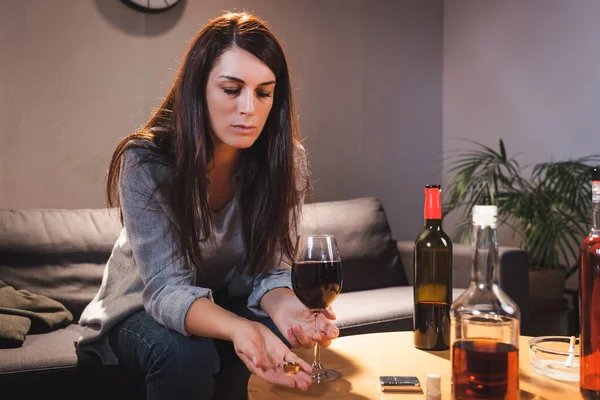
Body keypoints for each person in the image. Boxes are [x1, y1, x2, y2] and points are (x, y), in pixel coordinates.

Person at [76, 11, 339, 400]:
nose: (249, 107)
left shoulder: (287, 162)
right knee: (186, 353)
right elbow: (166, 289)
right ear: (198, 89)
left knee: (290, 334)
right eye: (232, 89)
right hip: (138, 308)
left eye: (264, 92)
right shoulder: (147, 161)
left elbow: (271, 271)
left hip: (224, 299)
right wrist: (241, 327)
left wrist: (286, 308)